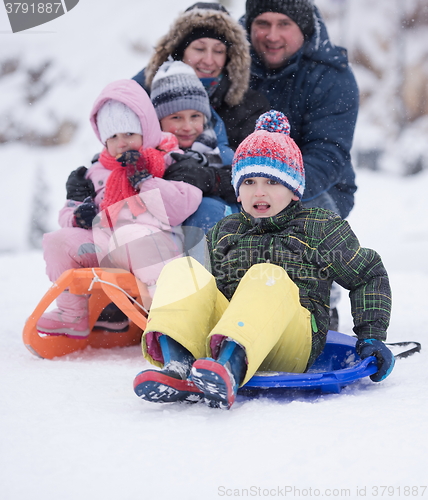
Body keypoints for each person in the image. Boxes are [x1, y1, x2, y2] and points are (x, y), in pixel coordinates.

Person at [133, 111, 394, 410]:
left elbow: (367, 275)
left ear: (294, 190)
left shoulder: (319, 228)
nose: (259, 191)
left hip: (292, 341)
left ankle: (230, 368)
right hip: (225, 334)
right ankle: (178, 364)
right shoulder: (224, 231)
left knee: (265, 275)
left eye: (272, 181)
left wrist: (371, 336)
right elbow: (202, 295)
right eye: (249, 182)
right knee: (184, 270)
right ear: (237, 190)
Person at [36, 79, 202, 338]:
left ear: (145, 132)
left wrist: (146, 181)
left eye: (128, 134)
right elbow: (69, 209)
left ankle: (167, 317)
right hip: (102, 243)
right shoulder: (94, 171)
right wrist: (77, 216)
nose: (121, 142)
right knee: (59, 241)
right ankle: (72, 314)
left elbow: (182, 205)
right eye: (113, 136)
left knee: (130, 233)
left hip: (151, 242)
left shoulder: (168, 160)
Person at [244, 0, 359, 220]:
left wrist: (273, 189)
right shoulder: (233, 65)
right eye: (263, 23)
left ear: (303, 28)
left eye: (284, 24)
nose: (272, 36)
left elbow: (327, 153)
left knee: (293, 236)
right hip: (241, 184)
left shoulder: (331, 75)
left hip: (318, 186)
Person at [133, 2, 270, 151]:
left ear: (229, 58)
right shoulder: (143, 96)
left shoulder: (250, 107)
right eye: (199, 48)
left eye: (218, 51)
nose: (208, 60)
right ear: (180, 52)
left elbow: (252, 167)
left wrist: (208, 174)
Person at [150, 59, 239, 233]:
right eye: (176, 117)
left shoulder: (219, 152)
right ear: (158, 121)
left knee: (207, 208)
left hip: (216, 236)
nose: (187, 126)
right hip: (164, 241)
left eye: (195, 116)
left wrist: (212, 179)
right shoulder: (148, 153)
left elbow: (250, 186)